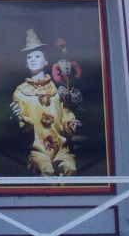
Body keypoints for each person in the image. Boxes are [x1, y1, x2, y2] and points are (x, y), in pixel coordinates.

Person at [11, 29, 80, 177]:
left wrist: (71, 122)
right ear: (26, 63)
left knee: (69, 169)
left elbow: (65, 112)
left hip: (61, 149)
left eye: (37, 56)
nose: (33, 59)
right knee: (46, 171)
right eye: (29, 57)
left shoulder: (57, 88)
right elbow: (23, 127)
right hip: (37, 150)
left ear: (46, 61)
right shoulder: (20, 93)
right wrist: (18, 119)